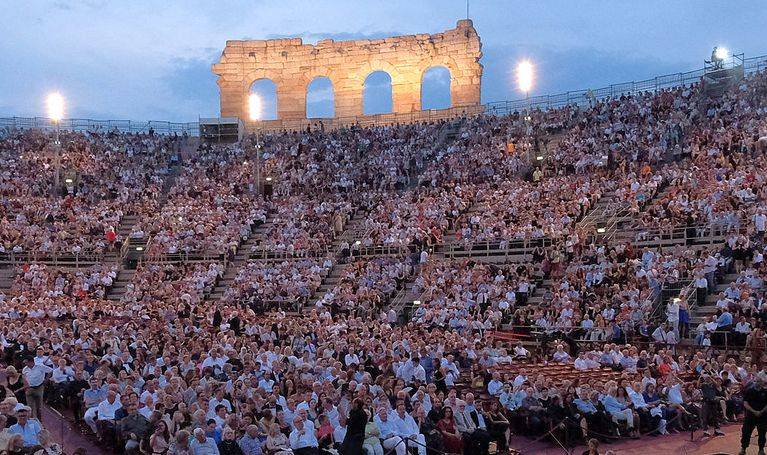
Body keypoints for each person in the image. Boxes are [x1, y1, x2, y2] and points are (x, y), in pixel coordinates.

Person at [740, 372, 767, 455]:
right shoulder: (749, 390)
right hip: (750, 415)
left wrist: (761, 412)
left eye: (760, 381)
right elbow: (745, 403)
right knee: (746, 432)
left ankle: (761, 449)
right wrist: (754, 411)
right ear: (755, 381)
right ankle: (743, 448)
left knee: (762, 433)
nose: (759, 383)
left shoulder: (765, 391)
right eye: (757, 381)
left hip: (762, 415)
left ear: (763, 382)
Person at [21, 356, 52, 421]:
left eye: (26, 362)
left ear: (31, 362)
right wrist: (25, 387)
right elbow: (24, 378)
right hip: (29, 389)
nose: (25, 364)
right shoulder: (25, 369)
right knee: (29, 407)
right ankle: (31, 421)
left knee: (39, 407)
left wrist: (46, 380)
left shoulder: (40, 366)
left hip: (39, 388)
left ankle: (39, 420)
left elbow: (50, 371)